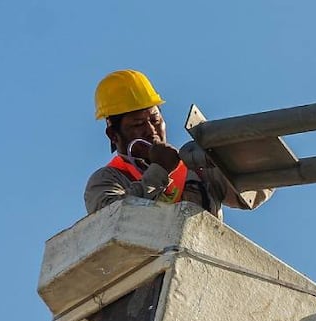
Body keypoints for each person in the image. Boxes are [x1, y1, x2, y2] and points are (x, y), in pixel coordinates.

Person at [84, 70, 271, 218]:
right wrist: (159, 171)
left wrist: (230, 157)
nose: (151, 130)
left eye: (155, 119)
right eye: (138, 124)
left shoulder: (194, 167)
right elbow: (112, 221)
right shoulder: (108, 180)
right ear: (113, 135)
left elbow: (249, 194)